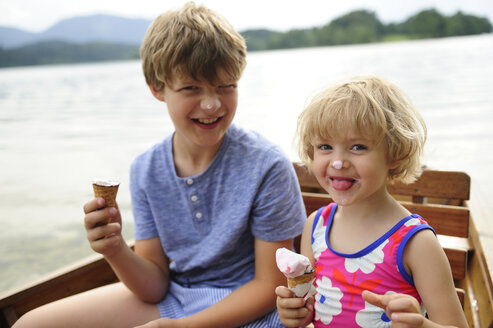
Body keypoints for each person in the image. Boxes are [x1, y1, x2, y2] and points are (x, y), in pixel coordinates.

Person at [14, 2, 306, 327]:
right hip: (178, 297)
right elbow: (154, 288)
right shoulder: (146, 170)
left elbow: (270, 286)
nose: (211, 104)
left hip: (250, 307)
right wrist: (114, 248)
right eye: (191, 88)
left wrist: (182, 327)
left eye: (226, 86)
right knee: (31, 323)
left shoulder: (266, 166)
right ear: (157, 89)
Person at [275, 76, 469, 327]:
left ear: (395, 154)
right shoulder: (315, 227)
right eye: (325, 146)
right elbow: (315, 306)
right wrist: (297, 312)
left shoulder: (415, 242)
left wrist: (421, 325)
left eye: (357, 147)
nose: (337, 162)